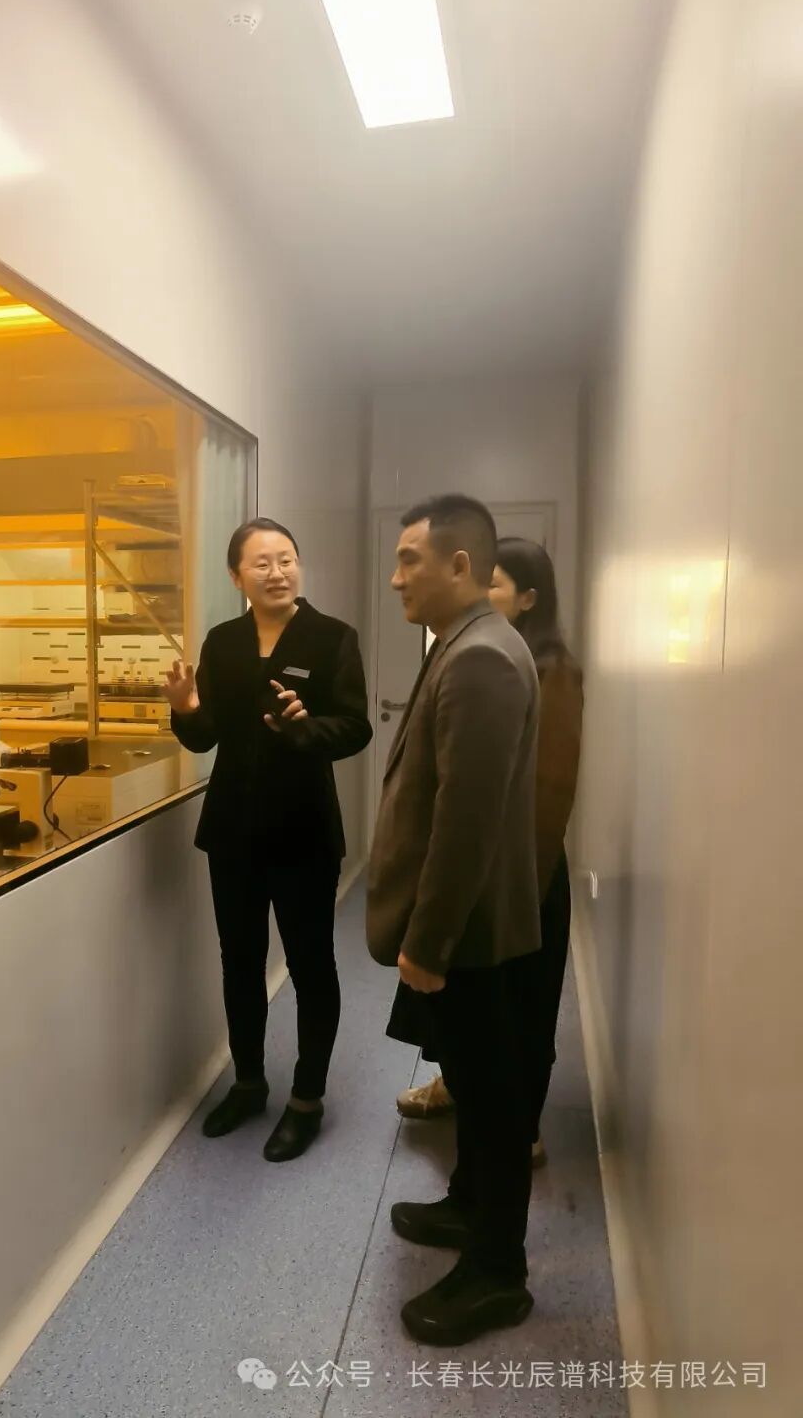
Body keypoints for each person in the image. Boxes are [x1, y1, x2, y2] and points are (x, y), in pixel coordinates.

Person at [366, 494, 542, 1346]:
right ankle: (469, 1204)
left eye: (410, 560)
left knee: (493, 1095)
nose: (396, 577)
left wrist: (428, 943)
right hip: (464, 926)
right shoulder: (464, 643)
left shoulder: (481, 658)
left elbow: (464, 824)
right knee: (472, 1083)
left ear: (460, 565)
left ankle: (498, 1272)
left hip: (467, 932)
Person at [165, 519, 372, 1163]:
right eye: (261, 563)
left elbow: (356, 728)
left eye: (286, 559)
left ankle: (306, 1100)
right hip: (233, 832)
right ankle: (249, 1084)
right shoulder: (224, 642)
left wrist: (307, 727)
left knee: (311, 966)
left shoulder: (332, 637)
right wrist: (185, 707)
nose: (277, 572)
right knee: (240, 963)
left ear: (298, 566)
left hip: (305, 829)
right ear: (237, 576)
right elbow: (205, 737)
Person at [393, 538, 583, 1167]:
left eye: (493, 584)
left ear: (529, 599)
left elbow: (548, 794)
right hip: (469, 868)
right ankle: (459, 1089)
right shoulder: (473, 653)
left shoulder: (551, 670)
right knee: (465, 1005)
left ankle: (520, 1133)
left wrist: (518, 892)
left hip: (519, 877)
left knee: (519, 1010)